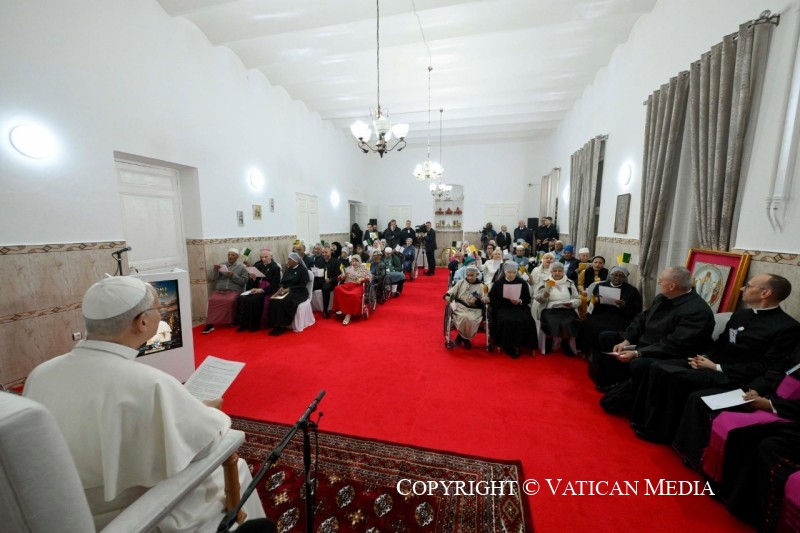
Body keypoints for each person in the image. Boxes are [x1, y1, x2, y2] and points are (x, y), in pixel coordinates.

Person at [23, 276, 267, 531]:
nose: (161, 314)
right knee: (237, 468)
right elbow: (205, 443)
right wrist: (209, 412)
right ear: (142, 322)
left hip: (60, 509)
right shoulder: (150, 383)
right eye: (158, 309)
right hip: (130, 513)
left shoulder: (41, 373)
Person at [630, 274, 800, 443]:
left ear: (765, 293)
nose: (742, 288)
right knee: (657, 367)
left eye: (748, 286)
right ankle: (645, 419)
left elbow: (768, 366)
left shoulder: (787, 327)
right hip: (712, 364)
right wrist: (704, 357)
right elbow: (720, 343)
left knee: (672, 375)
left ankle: (660, 431)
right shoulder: (741, 315)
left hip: (734, 375)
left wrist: (716, 367)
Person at [595, 266, 715, 392]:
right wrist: (627, 340)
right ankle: (613, 383)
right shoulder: (662, 297)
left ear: (672, 286)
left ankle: (627, 391)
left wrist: (638, 353)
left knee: (638, 363)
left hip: (668, 353)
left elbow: (675, 344)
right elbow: (641, 319)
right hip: (647, 341)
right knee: (607, 337)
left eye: (661, 281)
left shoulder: (697, 311)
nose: (659, 283)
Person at [579, 265, 642, 357]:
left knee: (609, 328)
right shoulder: (600, 286)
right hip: (601, 313)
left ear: (625, 278)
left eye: (621, 276)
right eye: (615, 275)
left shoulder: (632, 291)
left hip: (620, 315)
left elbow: (636, 311)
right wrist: (596, 301)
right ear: (610, 276)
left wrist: (624, 305)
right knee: (586, 324)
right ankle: (588, 350)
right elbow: (590, 304)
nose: (617, 278)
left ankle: (603, 353)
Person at [488, 262, 538, 358]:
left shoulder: (522, 283)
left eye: (514, 272)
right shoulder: (498, 283)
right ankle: (509, 346)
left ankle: (523, 344)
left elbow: (527, 299)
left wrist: (519, 301)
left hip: (519, 308)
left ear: (516, 272)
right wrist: (500, 303)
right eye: (509, 272)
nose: (511, 275)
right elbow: (492, 299)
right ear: (504, 272)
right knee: (507, 321)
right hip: (502, 308)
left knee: (528, 321)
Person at [534, 262, 581, 355]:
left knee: (569, 321)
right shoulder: (545, 282)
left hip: (567, 308)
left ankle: (565, 343)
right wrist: (544, 295)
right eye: (555, 271)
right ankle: (548, 342)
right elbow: (538, 298)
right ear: (551, 272)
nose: (557, 273)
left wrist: (571, 303)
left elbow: (577, 299)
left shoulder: (569, 283)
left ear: (563, 272)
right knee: (551, 321)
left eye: (560, 271)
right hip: (549, 309)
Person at [203, 248, 249, 334]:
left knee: (230, 300)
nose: (230, 257)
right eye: (229, 255)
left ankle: (230, 321)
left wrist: (233, 276)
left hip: (234, 290)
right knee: (212, 300)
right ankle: (210, 323)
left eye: (232, 255)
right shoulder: (222, 265)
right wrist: (215, 270)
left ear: (237, 257)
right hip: (220, 290)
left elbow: (244, 281)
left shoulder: (242, 267)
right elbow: (214, 278)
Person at [235, 248, 282, 332]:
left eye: (266, 257)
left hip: (267, 291)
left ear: (271, 257)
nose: (263, 259)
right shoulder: (259, 266)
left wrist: (262, 290)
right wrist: (253, 279)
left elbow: (275, 285)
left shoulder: (275, 267)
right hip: (257, 289)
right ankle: (244, 324)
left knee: (253, 300)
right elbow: (255, 282)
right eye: (262, 257)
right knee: (242, 298)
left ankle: (253, 325)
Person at [265, 252, 310, 336]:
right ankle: (276, 324)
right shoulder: (288, 269)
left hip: (298, 292)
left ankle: (282, 325)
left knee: (283, 301)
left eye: (290, 259)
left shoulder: (302, 270)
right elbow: (282, 282)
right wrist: (281, 288)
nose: (288, 261)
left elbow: (302, 285)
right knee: (273, 300)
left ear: (295, 260)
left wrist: (289, 289)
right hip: (285, 291)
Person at [444, 265, 485, 349]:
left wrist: (476, 300)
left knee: (471, 319)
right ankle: (466, 340)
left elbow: (485, 301)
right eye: (468, 275)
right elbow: (449, 295)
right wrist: (453, 304)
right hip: (460, 307)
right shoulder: (461, 282)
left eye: (472, 275)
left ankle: (461, 337)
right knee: (464, 317)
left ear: (477, 275)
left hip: (475, 309)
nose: (469, 277)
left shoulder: (482, 286)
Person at [333, 254, 371, 326]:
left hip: (358, 285)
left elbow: (369, 277)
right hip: (347, 284)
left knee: (353, 295)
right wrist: (343, 276)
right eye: (353, 261)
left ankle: (348, 314)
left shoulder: (364, 268)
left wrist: (362, 279)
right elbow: (339, 278)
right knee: (337, 288)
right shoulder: (348, 268)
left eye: (356, 261)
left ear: (359, 261)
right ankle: (341, 309)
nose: (354, 263)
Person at [313, 245, 341, 319]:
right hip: (320, 280)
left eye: (326, 252)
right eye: (323, 252)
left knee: (325, 288)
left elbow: (338, 275)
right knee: (311, 286)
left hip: (331, 281)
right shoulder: (319, 261)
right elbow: (317, 272)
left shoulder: (336, 262)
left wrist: (330, 280)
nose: (324, 254)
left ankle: (325, 310)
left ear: (330, 252)